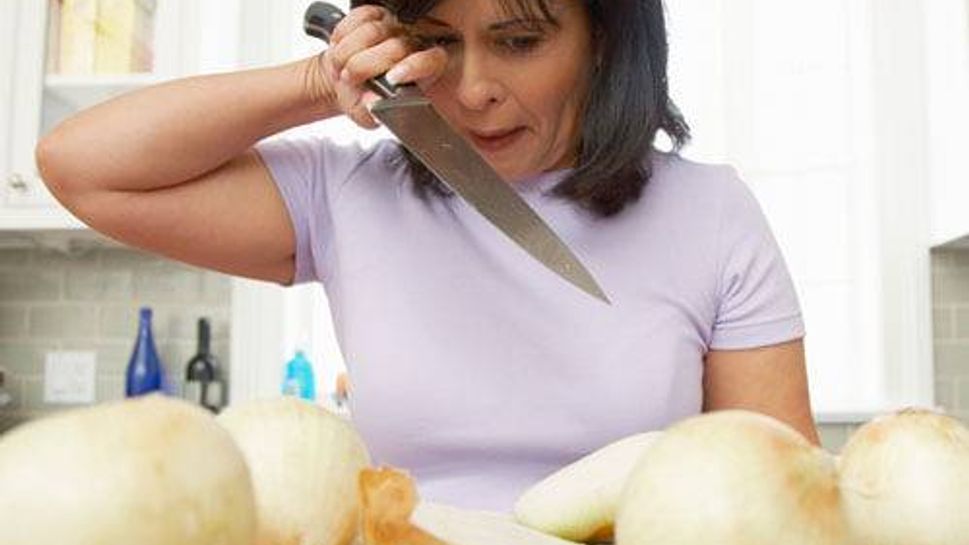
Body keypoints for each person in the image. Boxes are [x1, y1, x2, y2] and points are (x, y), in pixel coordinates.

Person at [37, 0, 820, 512]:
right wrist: (321, 78)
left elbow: (783, 485)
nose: (473, 87)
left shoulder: (711, 212)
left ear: (603, 42)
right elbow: (82, 167)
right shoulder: (345, 191)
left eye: (518, 41)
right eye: (437, 43)